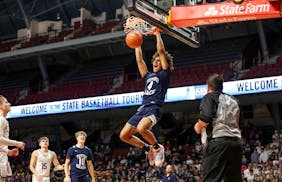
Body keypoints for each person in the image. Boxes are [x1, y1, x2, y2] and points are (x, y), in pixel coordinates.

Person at [119, 28, 174, 167]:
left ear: (164, 63)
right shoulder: (149, 76)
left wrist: (157, 35)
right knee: (124, 135)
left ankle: (157, 147)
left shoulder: (165, 75)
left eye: (158, 61)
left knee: (141, 129)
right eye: (154, 61)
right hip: (142, 108)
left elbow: (161, 52)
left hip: (154, 108)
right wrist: (137, 43)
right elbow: (139, 59)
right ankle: (147, 148)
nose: (155, 62)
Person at [194, 74, 243, 182]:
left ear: (208, 87)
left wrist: (197, 126)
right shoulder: (234, 100)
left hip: (218, 144)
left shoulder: (209, 97)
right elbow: (241, 126)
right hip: (236, 145)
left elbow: (206, 116)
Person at [0, 95, 25, 182]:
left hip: (3, 156)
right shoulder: (1, 120)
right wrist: (16, 143)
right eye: (6, 102)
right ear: (0, 106)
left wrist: (8, 152)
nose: (9, 104)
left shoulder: (4, 120)